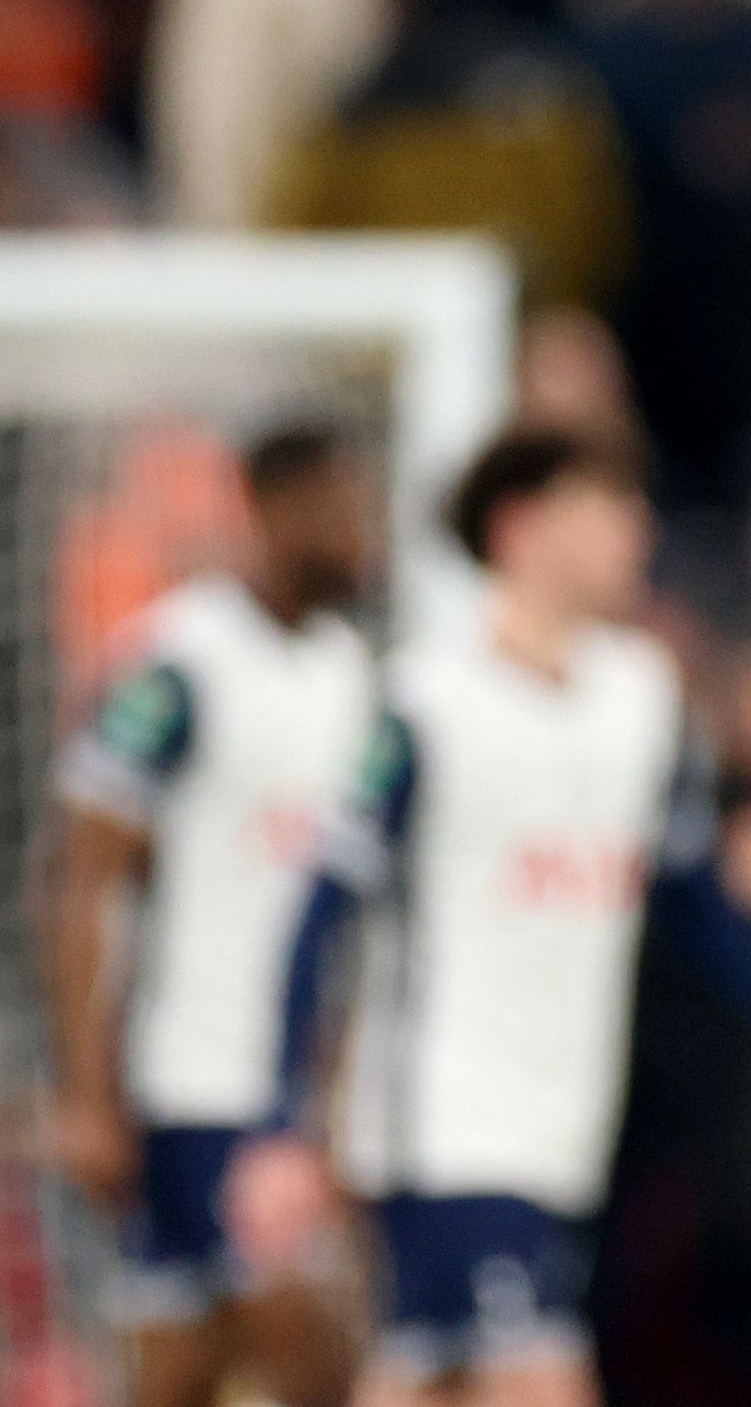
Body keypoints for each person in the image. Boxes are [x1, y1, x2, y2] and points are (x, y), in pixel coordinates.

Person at [226, 427, 751, 1407]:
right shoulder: (422, 705)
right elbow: (324, 906)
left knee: (425, 1377)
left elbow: (690, 887)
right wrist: (282, 1124)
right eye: (609, 507)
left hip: (565, 1130)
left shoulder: (642, 701)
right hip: (446, 1126)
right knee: (540, 1379)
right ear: (522, 525)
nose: (638, 530)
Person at [46, 423, 381, 1407]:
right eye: (341, 509)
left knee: (189, 1362)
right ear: (272, 512)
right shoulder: (177, 665)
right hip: (188, 1075)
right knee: (310, 1347)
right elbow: (83, 877)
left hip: (289, 1088)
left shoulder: (350, 676)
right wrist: (86, 1091)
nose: (363, 533)